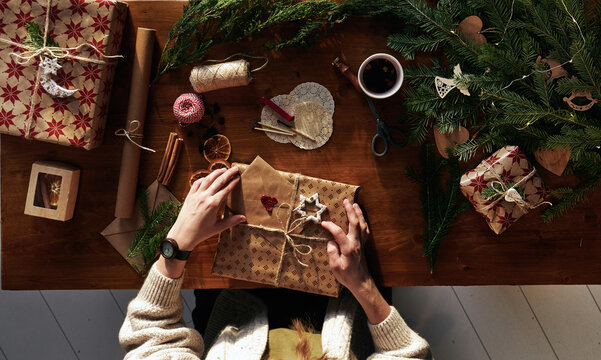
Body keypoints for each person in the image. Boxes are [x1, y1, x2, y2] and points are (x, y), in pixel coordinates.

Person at [119, 166, 431, 359]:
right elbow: (407, 355)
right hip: (350, 294)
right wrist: (363, 283)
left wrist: (178, 245)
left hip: (236, 296)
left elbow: (149, 333)